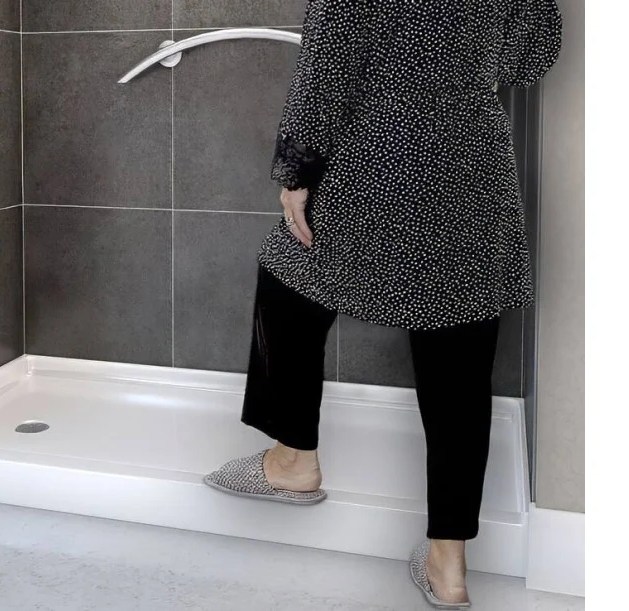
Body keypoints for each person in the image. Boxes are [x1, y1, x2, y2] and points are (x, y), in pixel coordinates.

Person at [204, 0, 562, 608]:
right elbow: (532, 55)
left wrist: (295, 169)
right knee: (460, 357)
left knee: (288, 276)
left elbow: (327, 63)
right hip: (475, 166)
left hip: (379, 159)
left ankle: (293, 460)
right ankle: (449, 567)